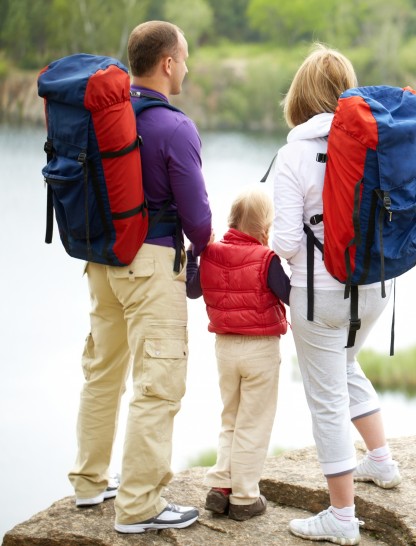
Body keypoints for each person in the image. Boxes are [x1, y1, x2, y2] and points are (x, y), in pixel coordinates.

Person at [271, 43, 416, 545]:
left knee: (325, 399)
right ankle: (381, 462)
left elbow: (286, 242)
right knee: (346, 365)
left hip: (318, 296)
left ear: (300, 95)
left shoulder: (293, 154)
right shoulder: (378, 138)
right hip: (375, 287)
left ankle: (341, 518)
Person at [67, 20, 213, 534]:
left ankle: (89, 483)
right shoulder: (175, 128)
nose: (188, 66)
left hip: (101, 259)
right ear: (168, 63)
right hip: (150, 265)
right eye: (185, 57)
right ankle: (138, 506)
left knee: (102, 371)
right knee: (158, 385)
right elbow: (198, 221)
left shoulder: (105, 116)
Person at [185, 187, 290, 521]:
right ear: (265, 230)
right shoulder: (266, 258)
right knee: (253, 423)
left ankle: (220, 486)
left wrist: (193, 256)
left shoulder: (211, 253)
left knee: (230, 416)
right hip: (259, 349)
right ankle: (244, 497)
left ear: (230, 222)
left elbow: (192, 290)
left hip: (225, 349)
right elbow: (290, 295)